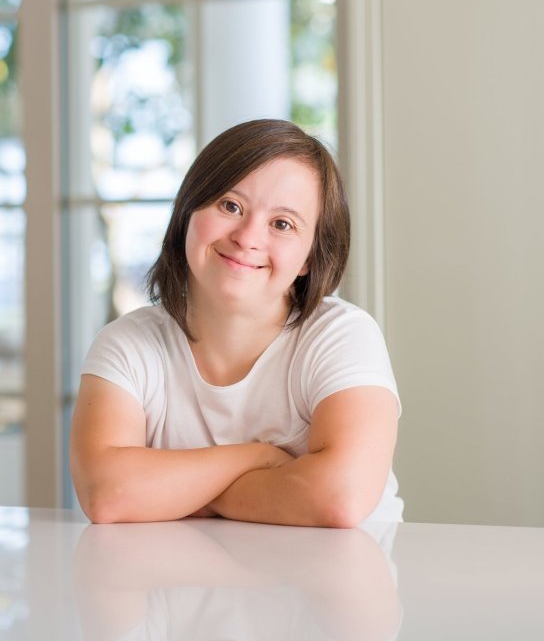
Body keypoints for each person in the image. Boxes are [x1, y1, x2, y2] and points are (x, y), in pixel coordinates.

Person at [70, 118, 402, 528]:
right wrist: (258, 459)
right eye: (230, 206)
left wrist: (175, 492)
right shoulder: (128, 344)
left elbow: (338, 499)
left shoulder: (342, 336)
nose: (247, 237)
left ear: (311, 258)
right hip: (181, 586)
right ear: (188, 212)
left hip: (332, 586)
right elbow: (108, 496)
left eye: (282, 224)